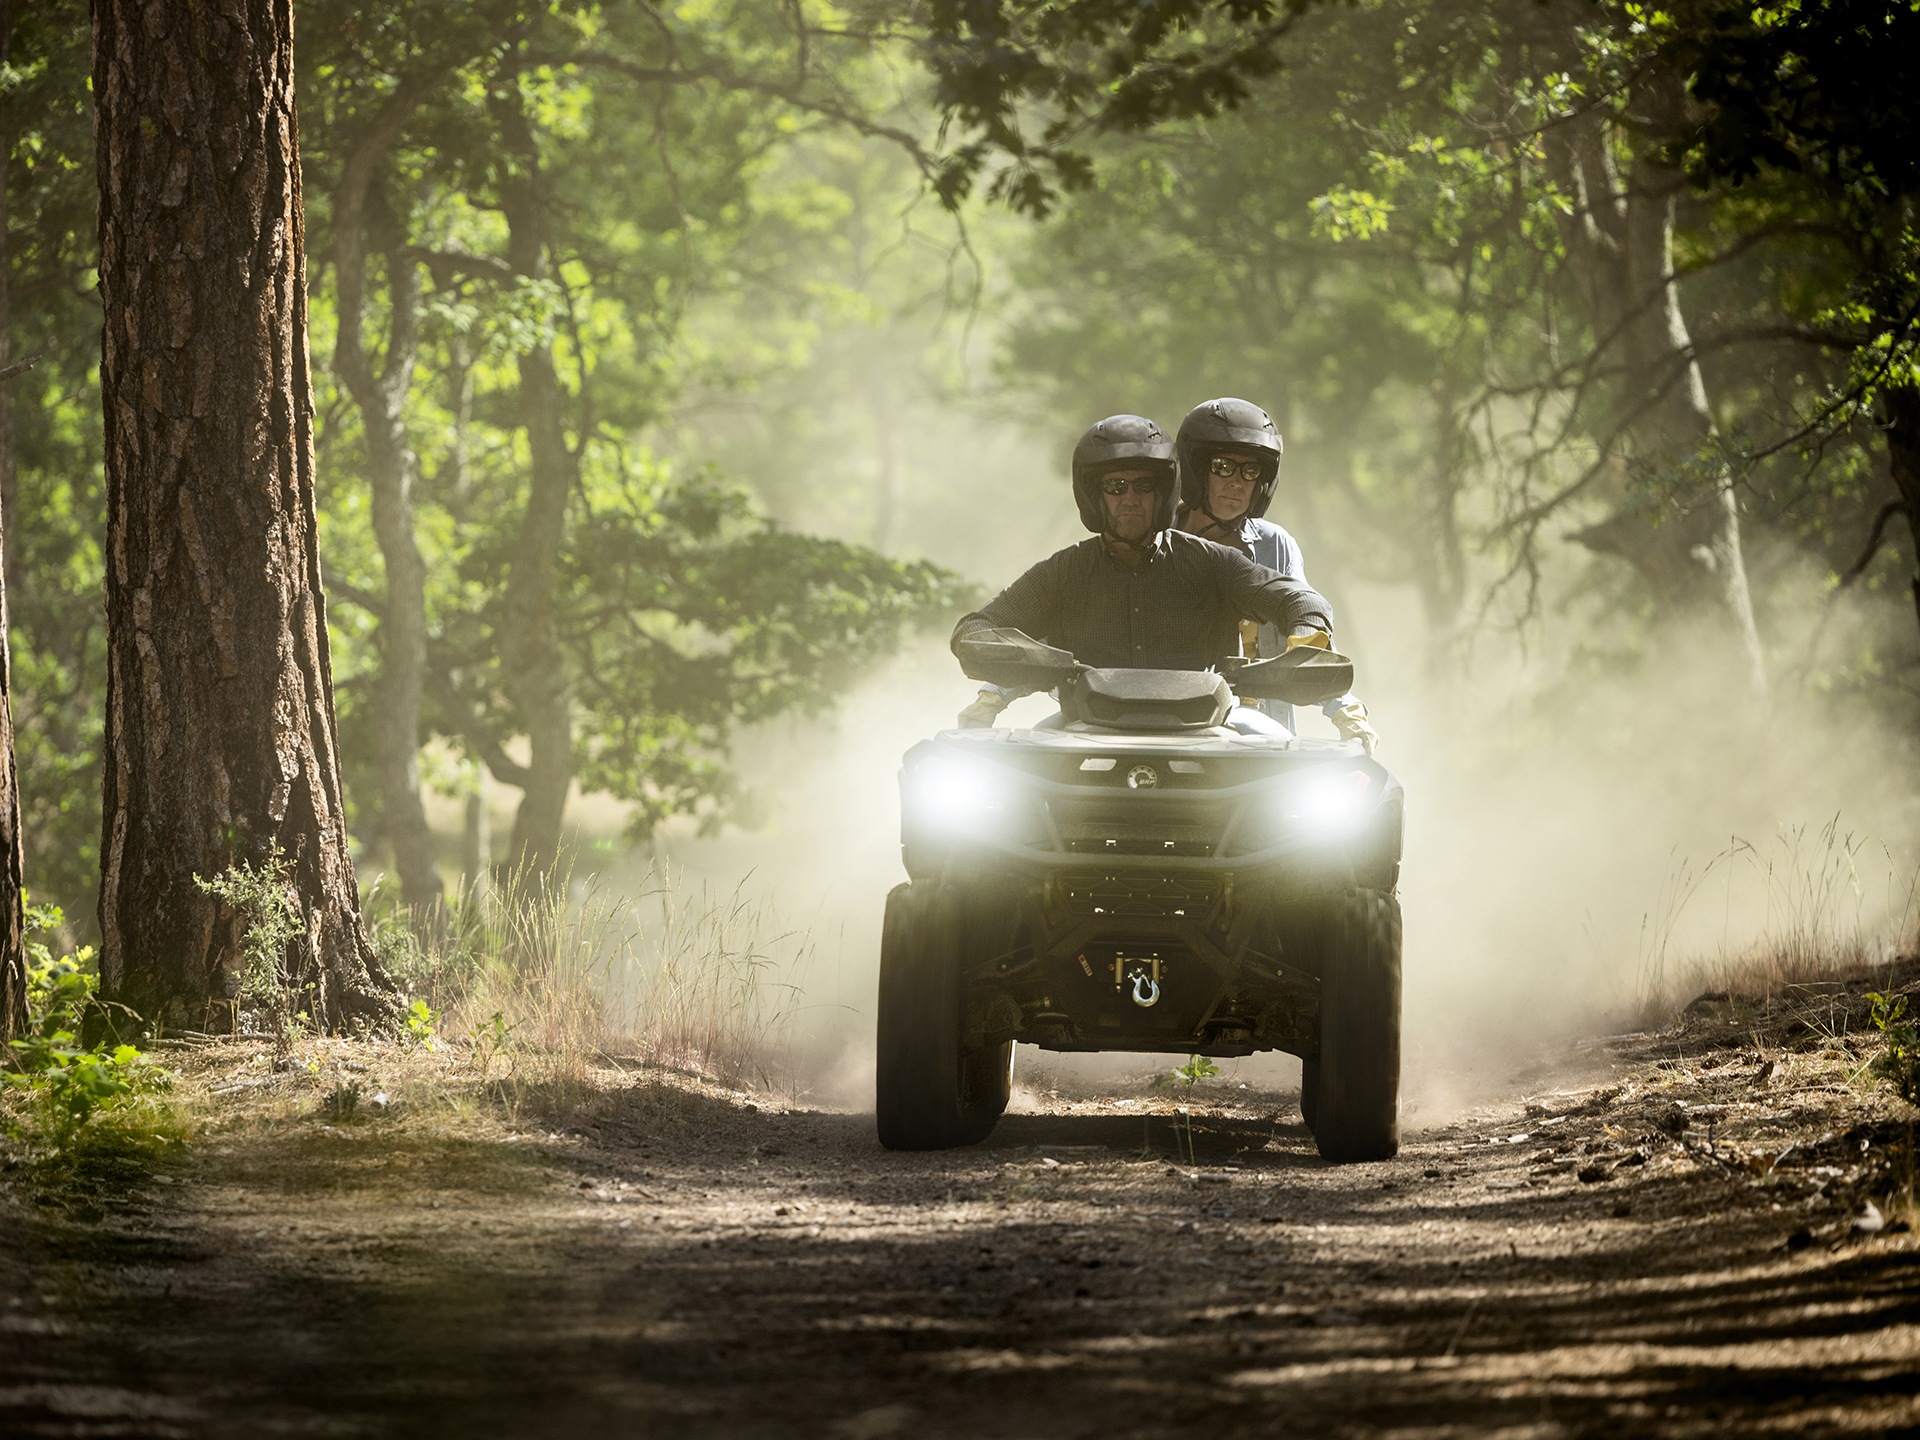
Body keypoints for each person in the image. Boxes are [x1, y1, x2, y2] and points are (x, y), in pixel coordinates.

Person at [951, 414, 1336, 720]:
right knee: (1004, 794)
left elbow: (1300, 599)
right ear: (1094, 496)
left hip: (1209, 731)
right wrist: (1030, 662)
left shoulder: (1212, 562)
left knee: (1284, 789)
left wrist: (1304, 641)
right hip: (1083, 731)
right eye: (1115, 487)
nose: (1130, 499)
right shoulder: (1063, 571)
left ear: (1164, 492)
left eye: (1143, 487)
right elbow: (975, 628)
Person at [1174, 397, 1379, 753]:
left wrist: (1349, 715)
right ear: (1197, 470)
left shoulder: (1275, 546)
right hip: (1169, 724)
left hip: (1260, 737)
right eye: (1223, 467)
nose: (1237, 482)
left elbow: (1308, 635)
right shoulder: (1157, 542)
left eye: (1249, 471)